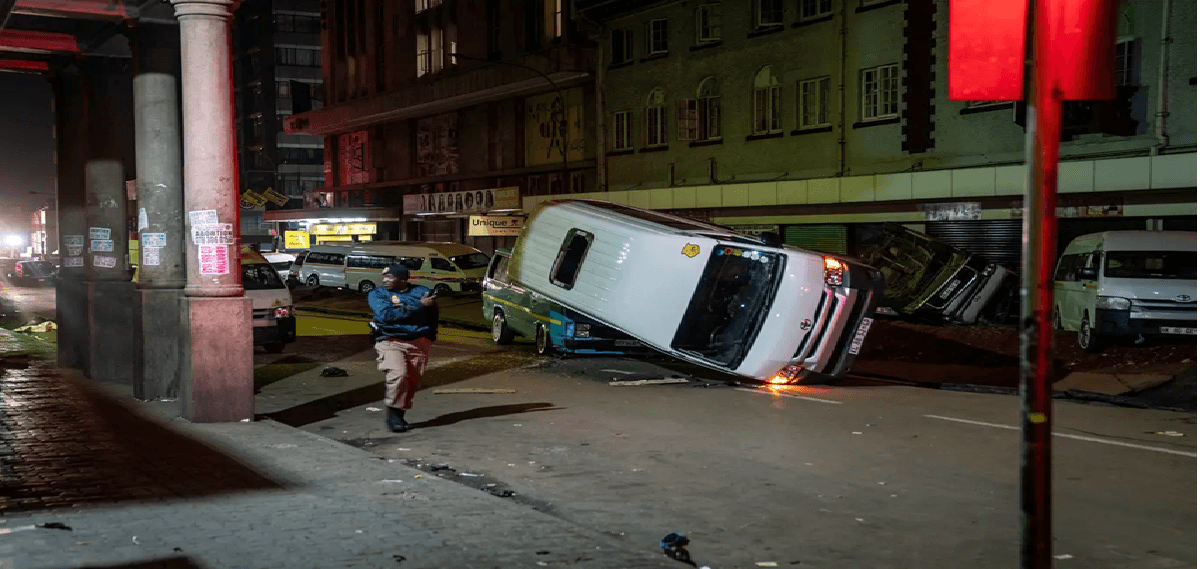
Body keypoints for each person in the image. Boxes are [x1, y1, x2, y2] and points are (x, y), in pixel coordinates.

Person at [367, 263, 439, 432]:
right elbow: (386, 315)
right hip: (390, 340)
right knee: (399, 374)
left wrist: (430, 336)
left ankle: (399, 411)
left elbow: (433, 314)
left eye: (390, 277)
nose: (385, 280)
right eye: (384, 276)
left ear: (403, 279)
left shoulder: (421, 292)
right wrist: (419, 306)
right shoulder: (377, 294)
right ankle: (394, 416)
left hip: (418, 340)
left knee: (412, 381)